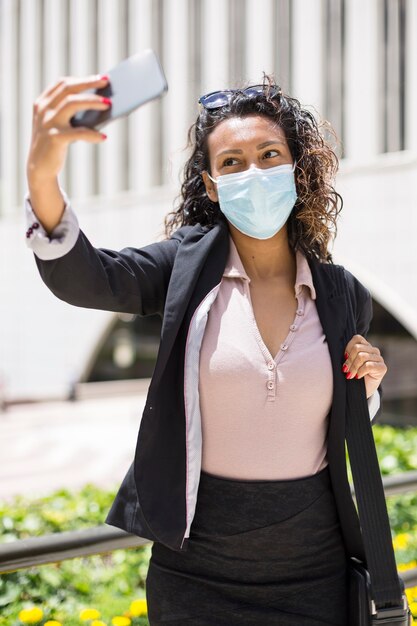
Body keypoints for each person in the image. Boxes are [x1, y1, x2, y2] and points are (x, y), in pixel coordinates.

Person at [25, 74, 388, 625]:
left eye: (270, 155)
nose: (254, 173)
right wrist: (42, 173)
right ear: (212, 185)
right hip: (197, 573)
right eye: (232, 163)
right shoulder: (183, 270)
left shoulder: (343, 295)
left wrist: (369, 387)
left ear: (298, 169)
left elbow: (329, 418)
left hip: (317, 570)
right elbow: (87, 279)